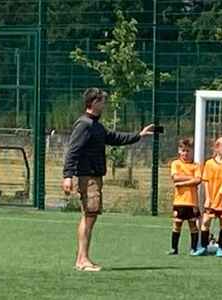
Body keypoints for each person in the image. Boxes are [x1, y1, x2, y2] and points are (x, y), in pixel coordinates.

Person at [61, 87, 157, 272]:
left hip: (94, 176)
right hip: (87, 177)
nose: (105, 105)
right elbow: (73, 151)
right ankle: (82, 260)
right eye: (103, 101)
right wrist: (68, 176)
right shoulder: (84, 124)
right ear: (94, 103)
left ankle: (83, 258)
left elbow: (113, 137)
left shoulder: (96, 125)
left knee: (90, 216)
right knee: (89, 216)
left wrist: (139, 135)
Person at [196, 136, 222, 257]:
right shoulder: (209, 163)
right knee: (206, 222)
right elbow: (206, 181)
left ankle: (221, 247)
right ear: (217, 148)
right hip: (212, 200)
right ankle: (204, 246)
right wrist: (207, 198)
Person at [169, 138, 202, 256]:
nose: (185, 153)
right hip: (179, 201)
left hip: (192, 201)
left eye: (188, 151)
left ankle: (193, 249)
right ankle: (174, 248)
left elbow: (198, 180)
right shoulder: (175, 164)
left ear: (192, 151)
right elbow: (175, 177)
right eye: (183, 150)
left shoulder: (196, 165)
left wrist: (182, 182)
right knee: (177, 224)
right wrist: (190, 177)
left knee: (193, 225)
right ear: (179, 151)